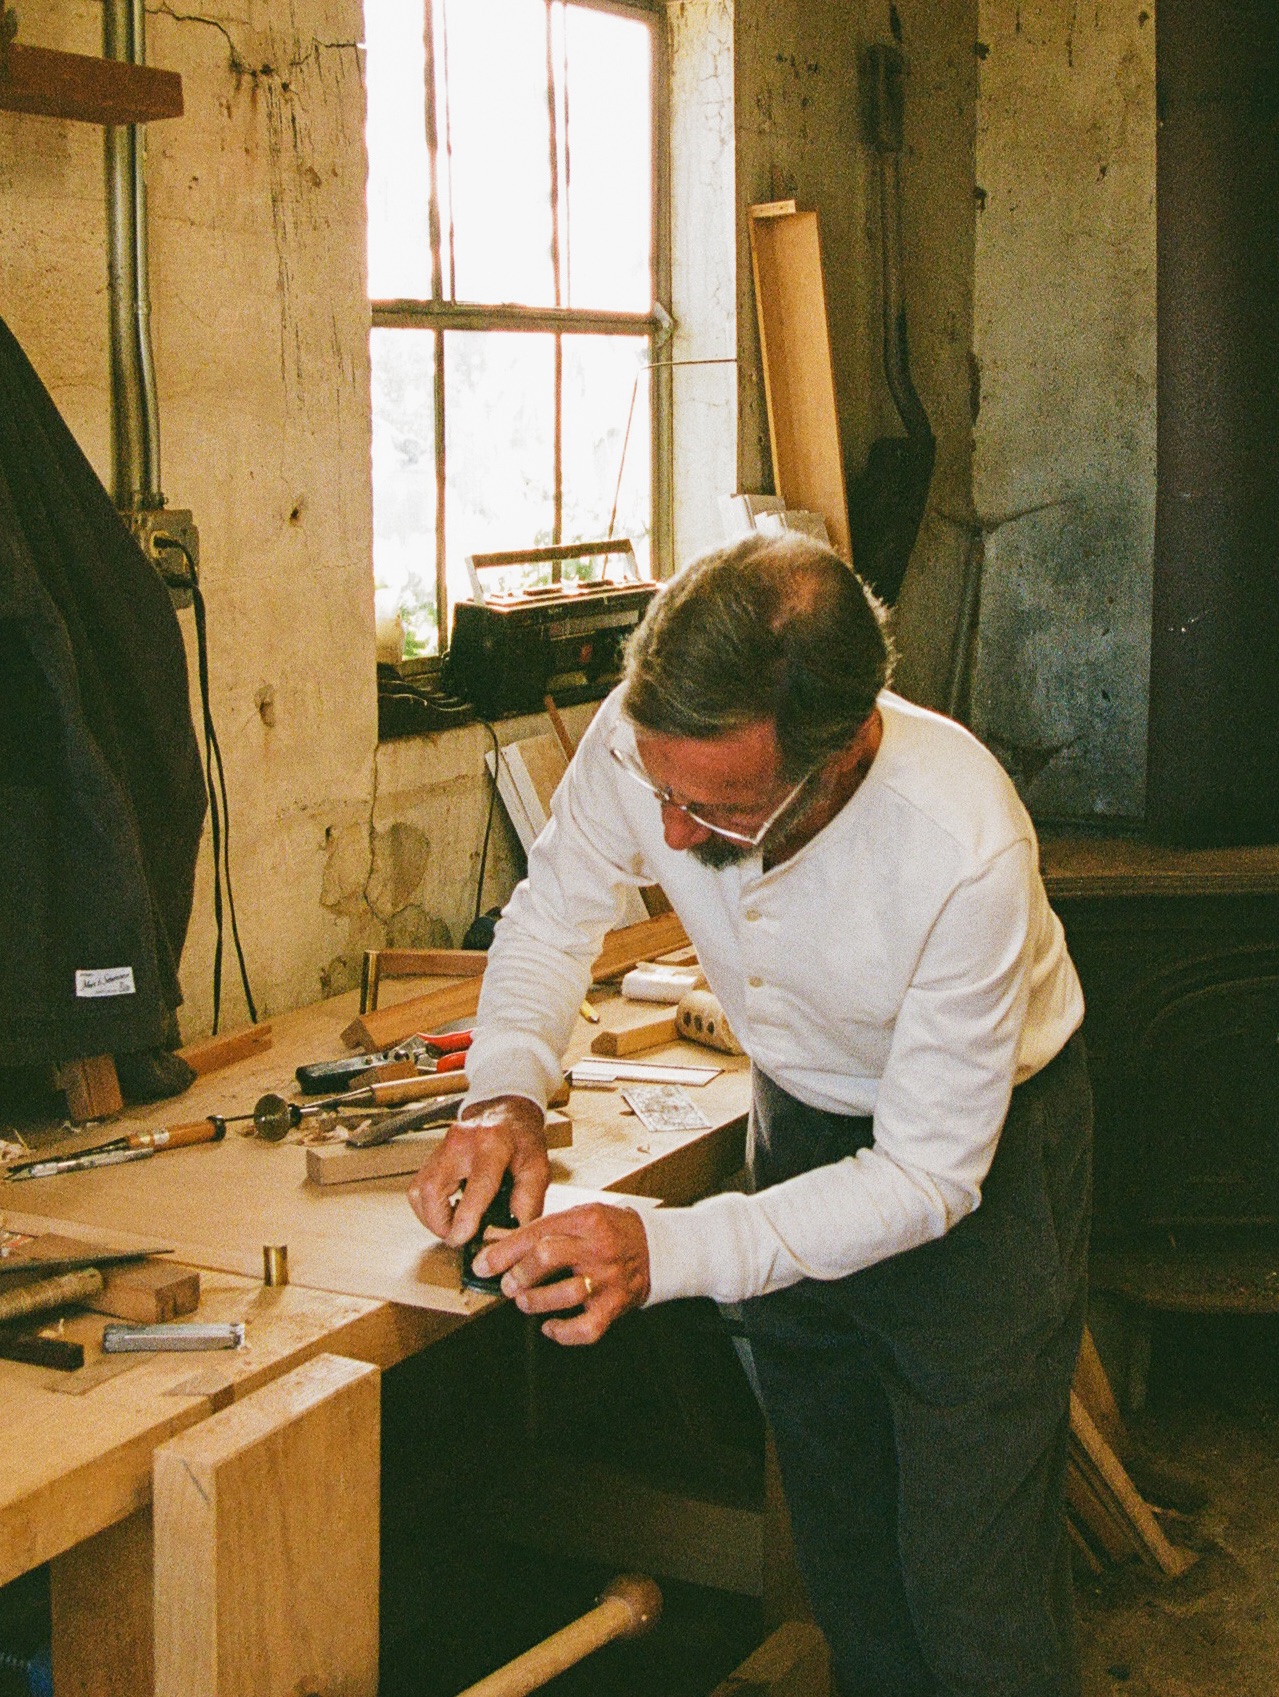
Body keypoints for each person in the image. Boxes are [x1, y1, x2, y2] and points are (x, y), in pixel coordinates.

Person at [409, 533, 1091, 1697]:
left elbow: (926, 1177)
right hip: (800, 1115)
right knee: (839, 1533)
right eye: (659, 793)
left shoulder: (960, 845)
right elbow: (555, 908)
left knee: (969, 1577)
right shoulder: (654, 737)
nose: (669, 835)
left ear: (844, 750)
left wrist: (662, 1242)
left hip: (979, 1153)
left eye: (714, 810)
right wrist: (507, 1085)